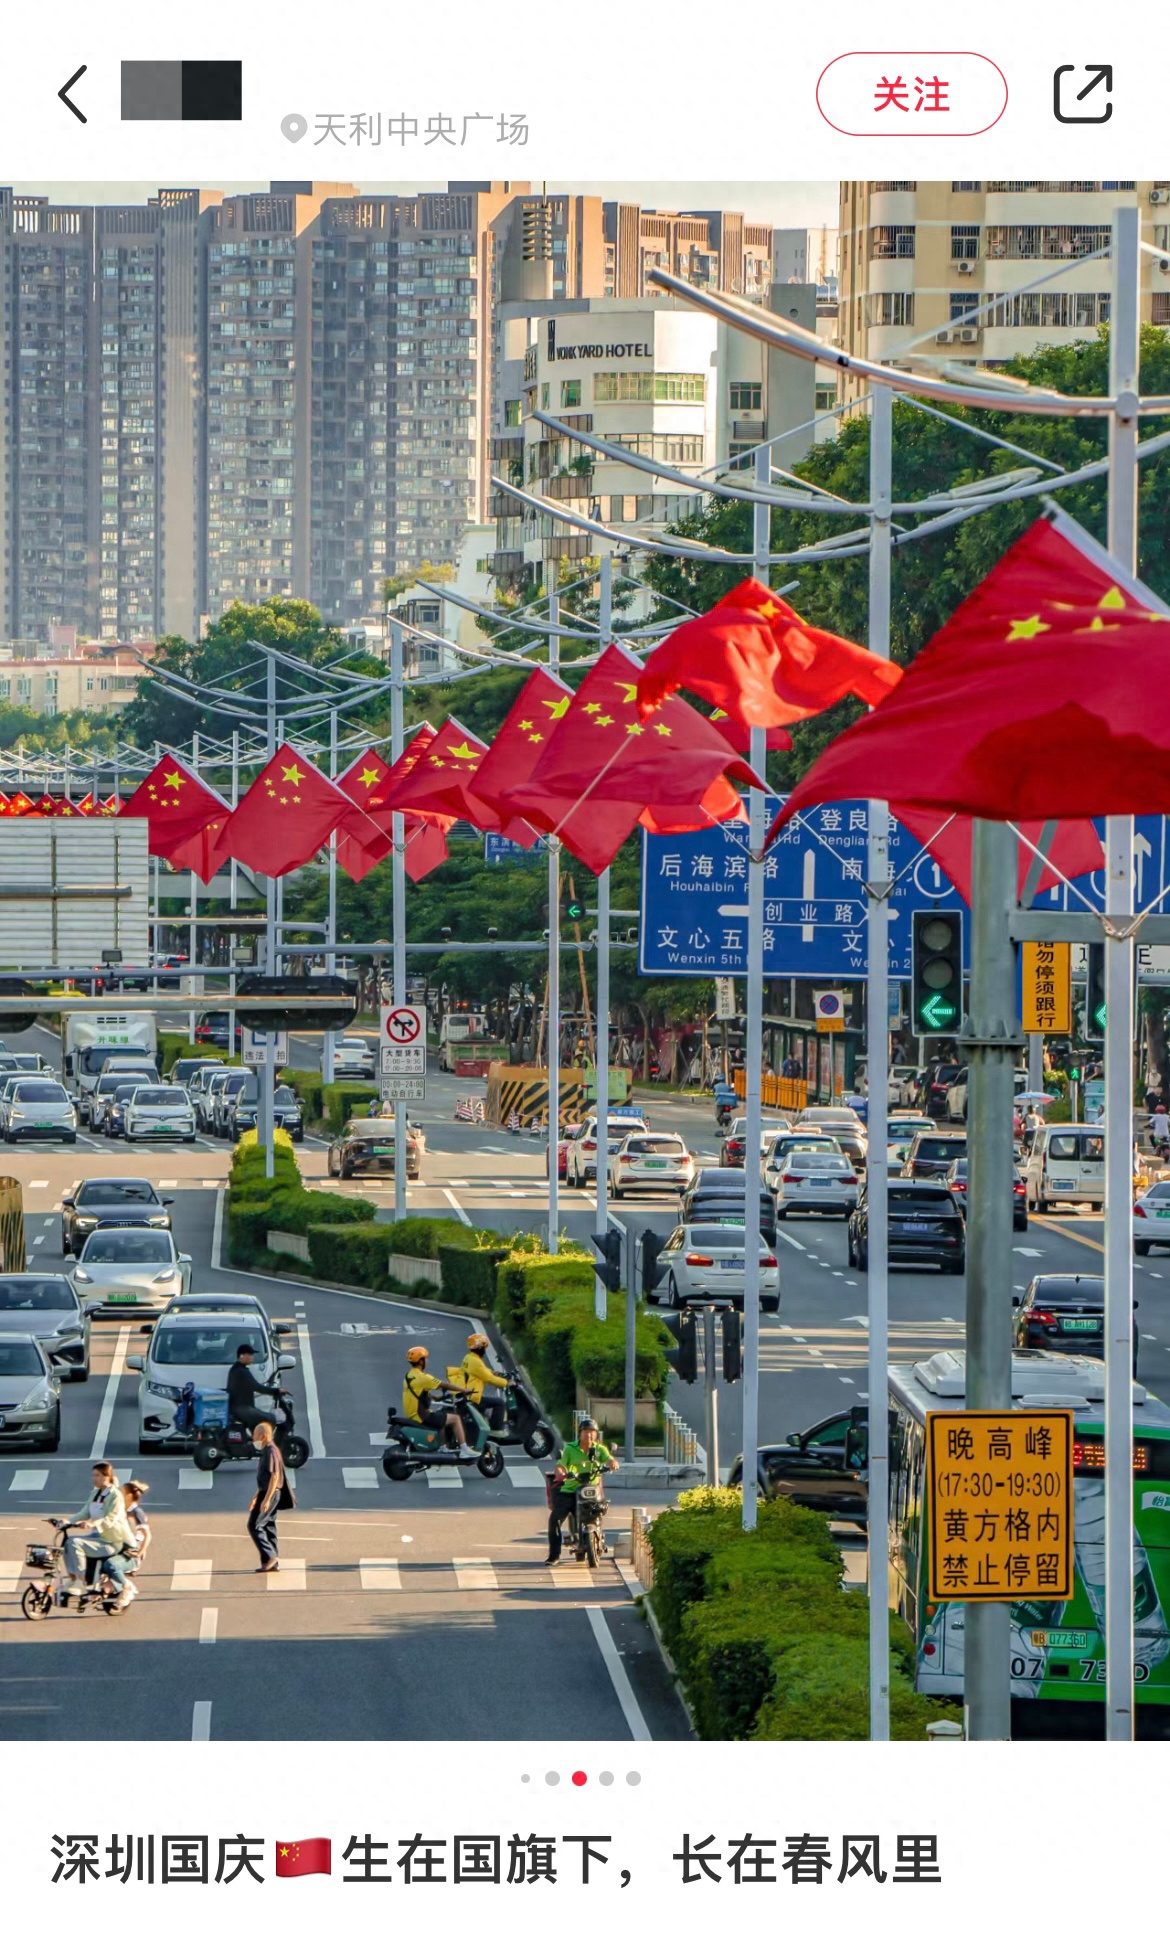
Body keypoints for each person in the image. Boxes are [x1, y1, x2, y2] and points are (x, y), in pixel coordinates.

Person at [545, 1417, 618, 1565]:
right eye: (586, 1431)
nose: (589, 1435)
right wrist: (561, 1472)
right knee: (555, 1520)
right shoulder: (570, 1449)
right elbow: (561, 1465)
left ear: (596, 1434)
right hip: (571, 1490)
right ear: (580, 1433)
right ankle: (554, 1555)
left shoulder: (600, 1449)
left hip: (592, 1489)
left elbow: (609, 1459)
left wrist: (613, 1463)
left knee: (599, 1510)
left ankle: (598, 1535)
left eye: (592, 1432)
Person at [62, 1462, 134, 1602]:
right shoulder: (95, 1493)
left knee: (75, 1543)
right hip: (99, 1537)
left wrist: (92, 1523)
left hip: (113, 1541)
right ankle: (74, 1578)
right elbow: (85, 1512)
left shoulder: (115, 1496)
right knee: (67, 1543)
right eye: (93, 1475)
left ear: (107, 1476)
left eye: (97, 1475)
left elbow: (110, 1519)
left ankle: (80, 1581)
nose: (94, 1478)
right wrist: (68, 1522)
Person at [401, 1344, 474, 1456]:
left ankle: (442, 1447)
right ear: (420, 1361)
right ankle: (464, 1450)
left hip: (412, 1413)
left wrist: (435, 1397)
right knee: (455, 1419)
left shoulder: (409, 1376)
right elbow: (444, 1385)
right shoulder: (423, 1377)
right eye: (425, 1358)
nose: (427, 1360)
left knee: (441, 1415)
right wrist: (464, 1390)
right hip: (421, 1416)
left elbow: (417, 1392)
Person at [102, 1479, 151, 1611]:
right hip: (117, 1549)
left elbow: (147, 1535)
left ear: (129, 1496)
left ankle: (126, 1588)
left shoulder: (136, 1513)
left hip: (130, 1554)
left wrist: (140, 1553)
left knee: (111, 1565)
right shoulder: (121, 1510)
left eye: (121, 1492)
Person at [247, 1421, 286, 1573]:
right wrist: (257, 1495)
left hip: (271, 1493)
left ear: (263, 1436)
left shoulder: (271, 1451)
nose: (253, 1438)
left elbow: (274, 1476)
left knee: (255, 1525)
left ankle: (270, 1556)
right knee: (268, 1525)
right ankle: (270, 1562)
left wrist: (267, 1499)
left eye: (255, 1435)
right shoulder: (268, 1450)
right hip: (266, 1492)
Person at [226, 1342, 284, 1432]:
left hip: (238, 1408)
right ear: (241, 1356)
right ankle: (265, 1443)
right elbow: (257, 1387)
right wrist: (276, 1391)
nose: (252, 1357)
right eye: (249, 1354)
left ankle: (257, 1443)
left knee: (257, 1425)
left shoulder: (235, 1369)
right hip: (243, 1409)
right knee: (270, 1418)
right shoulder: (242, 1371)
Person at [458, 1333, 510, 1428]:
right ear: (479, 1348)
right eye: (484, 1347)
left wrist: (492, 1372)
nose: (485, 1350)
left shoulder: (469, 1357)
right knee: (500, 1403)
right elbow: (488, 1378)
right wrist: (507, 1383)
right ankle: (496, 1431)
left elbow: (481, 1371)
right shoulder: (476, 1361)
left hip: (467, 1395)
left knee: (488, 1402)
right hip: (473, 1398)